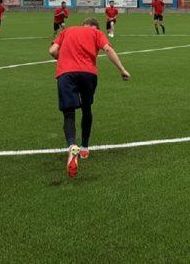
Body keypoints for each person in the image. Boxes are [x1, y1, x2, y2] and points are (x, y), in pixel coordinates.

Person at [49, 18, 130, 178]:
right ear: (95, 27)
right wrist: (122, 69)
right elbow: (108, 50)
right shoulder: (96, 33)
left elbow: (52, 50)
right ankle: (85, 147)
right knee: (87, 108)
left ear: (83, 25)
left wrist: (64, 61)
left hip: (66, 74)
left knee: (69, 113)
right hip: (88, 73)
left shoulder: (68, 30)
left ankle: (72, 145)